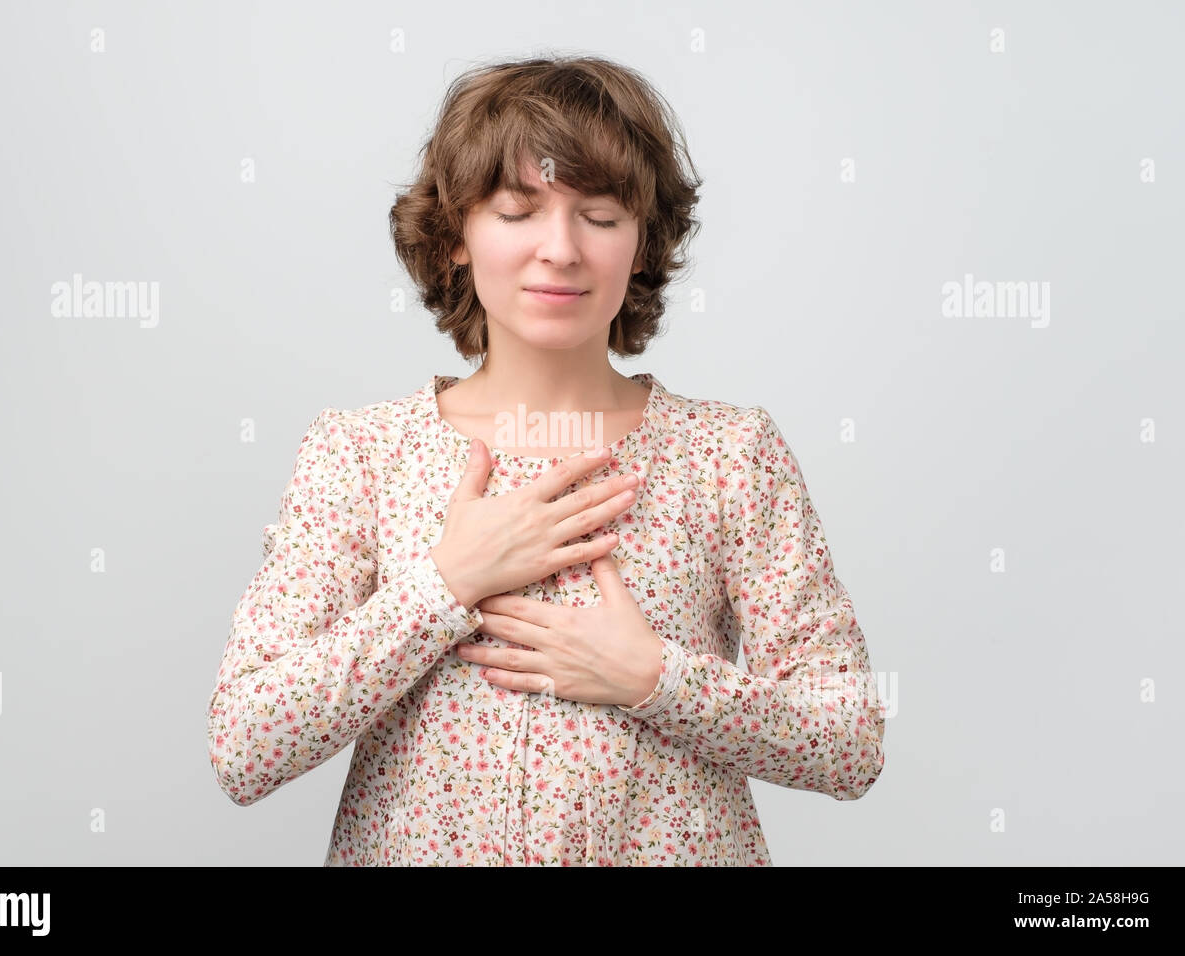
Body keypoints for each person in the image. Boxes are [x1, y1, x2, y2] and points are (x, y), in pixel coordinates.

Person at [206, 54, 885, 866]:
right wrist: (444, 586)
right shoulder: (363, 454)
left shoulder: (729, 454)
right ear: (456, 236)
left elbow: (848, 741)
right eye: (517, 211)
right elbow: (244, 747)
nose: (559, 250)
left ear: (642, 244)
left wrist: (657, 679)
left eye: (599, 216)